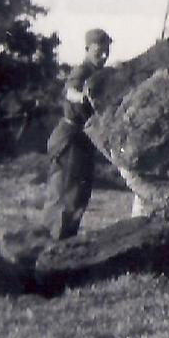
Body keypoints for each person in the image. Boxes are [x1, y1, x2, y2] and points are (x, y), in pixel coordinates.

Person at [42, 28, 112, 239]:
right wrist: (84, 97)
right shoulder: (82, 70)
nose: (104, 56)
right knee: (66, 194)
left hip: (81, 139)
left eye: (107, 51)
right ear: (87, 49)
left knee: (78, 195)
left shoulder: (99, 74)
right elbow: (70, 91)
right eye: (99, 51)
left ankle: (63, 243)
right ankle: (54, 244)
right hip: (70, 138)